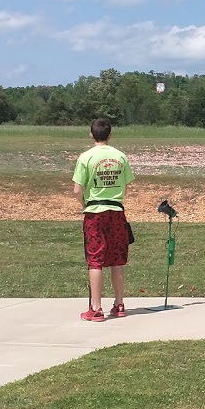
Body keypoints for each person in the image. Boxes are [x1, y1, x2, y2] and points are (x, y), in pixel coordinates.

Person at [73, 117, 135, 322]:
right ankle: (119, 303)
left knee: (95, 259)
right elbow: (126, 186)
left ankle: (96, 307)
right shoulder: (120, 156)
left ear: (91, 135)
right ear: (109, 135)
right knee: (117, 258)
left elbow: (77, 190)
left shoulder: (86, 157)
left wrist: (84, 204)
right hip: (116, 210)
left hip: (94, 212)